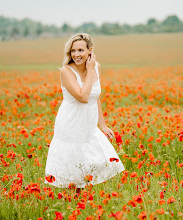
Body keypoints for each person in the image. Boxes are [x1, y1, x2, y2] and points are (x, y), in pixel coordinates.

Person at [44, 33, 125, 192]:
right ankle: (74, 203)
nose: (76, 54)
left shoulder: (97, 67)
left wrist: (103, 125)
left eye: (80, 50)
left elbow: (96, 97)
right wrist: (88, 70)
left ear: (90, 51)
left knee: (93, 163)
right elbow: (83, 96)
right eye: (73, 51)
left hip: (88, 125)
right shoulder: (66, 71)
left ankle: (84, 202)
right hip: (71, 123)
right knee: (73, 168)